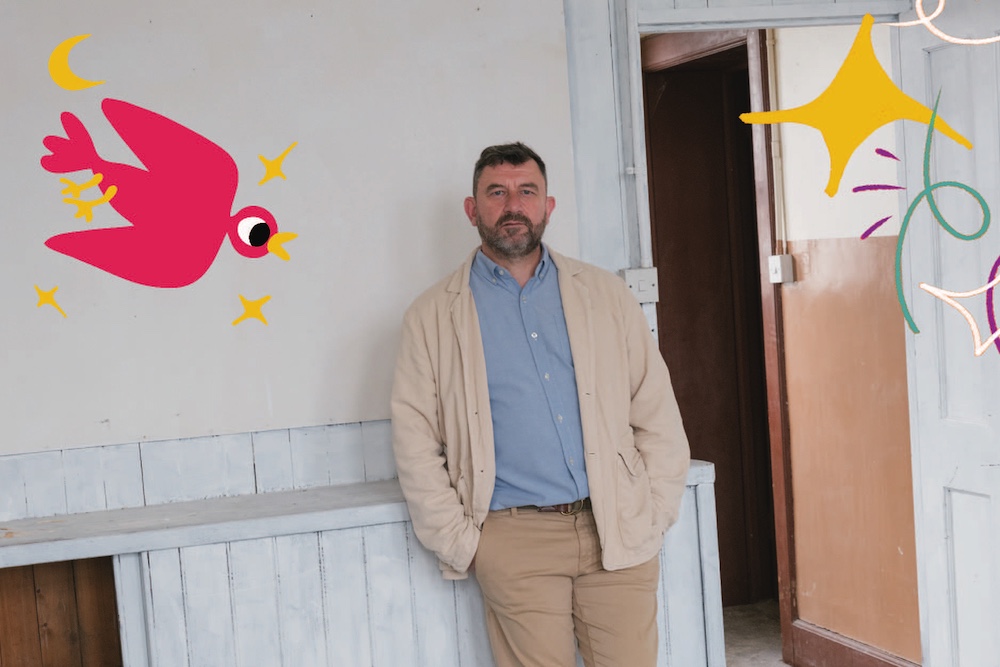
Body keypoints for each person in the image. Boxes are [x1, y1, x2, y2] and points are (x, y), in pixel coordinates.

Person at [391, 142, 690, 667]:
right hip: (514, 540)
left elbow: (656, 412)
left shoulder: (606, 296)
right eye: (497, 193)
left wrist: (655, 510)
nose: (513, 205)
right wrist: (464, 544)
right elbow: (414, 442)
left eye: (527, 191)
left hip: (617, 527)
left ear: (548, 206)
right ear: (472, 209)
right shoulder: (432, 316)